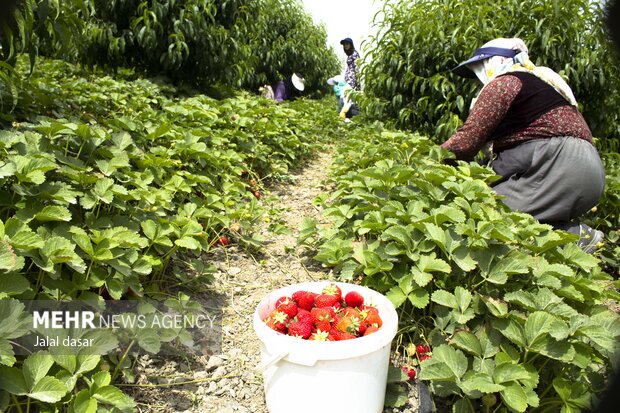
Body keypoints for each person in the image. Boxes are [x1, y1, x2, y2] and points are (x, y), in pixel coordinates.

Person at [442, 37, 606, 253]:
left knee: (487, 214)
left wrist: (434, 163)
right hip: (588, 171)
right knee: (522, 222)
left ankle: (576, 239)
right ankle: (577, 235)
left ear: (494, 62)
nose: (477, 82)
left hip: (558, 164)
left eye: (477, 71)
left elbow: (466, 142)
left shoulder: (505, 82)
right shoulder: (544, 86)